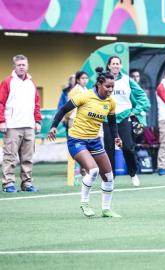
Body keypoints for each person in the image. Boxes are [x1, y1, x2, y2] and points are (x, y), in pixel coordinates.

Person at [48, 67, 121, 218]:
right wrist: (54, 127)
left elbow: (112, 123)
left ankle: (106, 209)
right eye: (108, 86)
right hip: (76, 140)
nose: (110, 89)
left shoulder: (111, 102)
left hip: (94, 141)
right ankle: (84, 203)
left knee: (108, 176)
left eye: (112, 87)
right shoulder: (85, 96)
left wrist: (116, 137)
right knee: (93, 171)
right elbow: (62, 110)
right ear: (99, 84)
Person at [104, 56, 151, 186]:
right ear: (109, 66)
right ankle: (110, 177)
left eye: (117, 64)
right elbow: (94, 96)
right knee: (109, 149)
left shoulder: (127, 80)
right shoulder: (102, 80)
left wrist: (135, 111)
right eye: (113, 63)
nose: (115, 66)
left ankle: (133, 174)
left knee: (128, 147)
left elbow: (142, 96)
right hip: (107, 118)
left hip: (124, 117)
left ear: (120, 66)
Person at [0, 54, 42, 193]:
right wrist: (1, 121)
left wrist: (37, 121)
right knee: (10, 157)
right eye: (19, 65)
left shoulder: (32, 83)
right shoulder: (7, 82)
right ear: (14, 66)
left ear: (27, 66)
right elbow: (0, 103)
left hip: (29, 125)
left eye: (24, 64)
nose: (22, 67)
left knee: (28, 158)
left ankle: (27, 183)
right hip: (12, 126)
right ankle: (8, 184)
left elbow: (36, 103)